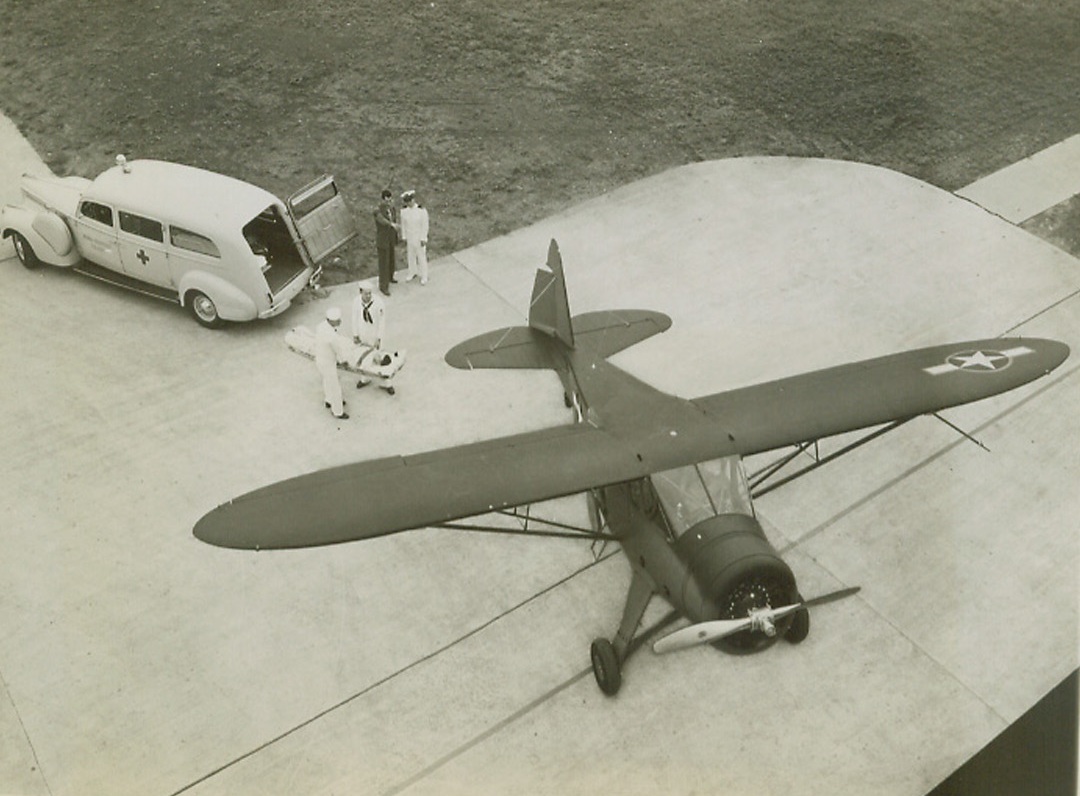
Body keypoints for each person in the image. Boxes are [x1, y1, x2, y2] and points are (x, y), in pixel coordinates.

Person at [351, 283, 394, 394]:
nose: (369, 296)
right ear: (360, 292)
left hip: (375, 334)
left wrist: (379, 338)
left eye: (370, 293)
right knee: (364, 357)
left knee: (381, 359)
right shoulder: (356, 302)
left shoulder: (378, 302)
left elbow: (382, 322)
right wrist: (355, 334)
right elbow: (354, 319)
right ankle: (365, 378)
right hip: (363, 334)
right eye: (366, 294)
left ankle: (387, 383)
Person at [314, 306, 350, 419]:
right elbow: (338, 350)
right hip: (328, 362)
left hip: (320, 359)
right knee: (335, 387)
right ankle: (338, 411)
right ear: (330, 321)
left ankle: (328, 400)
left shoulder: (321, 326)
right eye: (337, 320)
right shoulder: (331, 336)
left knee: (327, 381)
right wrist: (344, 361)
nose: (340, 322)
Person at [399, 190, 430, 285]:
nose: (409, 203)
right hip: (410, 237)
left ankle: (424, 275)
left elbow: (425, 225)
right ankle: (412, 272)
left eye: (410, 201)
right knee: (410, 256)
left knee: (421, 257)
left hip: (419, 237)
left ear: (413, 199)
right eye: (407, 201)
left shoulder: (421, 211)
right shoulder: (404, 211)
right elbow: (403, 225)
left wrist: (423, 238)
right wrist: (404, 237)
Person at [373, 189, 399, 296]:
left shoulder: (392, 209)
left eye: (390, 199)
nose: (389, 202)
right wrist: (391, 224)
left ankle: (390, 277)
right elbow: (381, 220)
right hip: (382, 240)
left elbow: (394, 219)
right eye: (387, 200)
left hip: (391, 239)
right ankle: (383, 286)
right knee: (383, 263)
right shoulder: (377, 210)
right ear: (383, 199)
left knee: (391, 259)